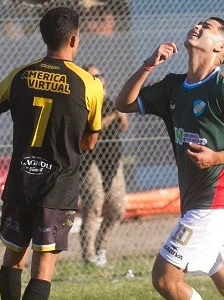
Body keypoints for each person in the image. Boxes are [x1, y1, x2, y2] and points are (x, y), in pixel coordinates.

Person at [0, 7, 103, 299]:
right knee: (43, 268)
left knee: (13, 260)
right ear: (74, 40)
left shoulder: (20, 75)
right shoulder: (88, 84)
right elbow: (90, 143)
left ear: (44, 38)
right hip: (57, 188)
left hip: (20, 184)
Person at [115, 17, 224, 300]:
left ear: (220, 46)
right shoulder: (173, 87)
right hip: (198, 205)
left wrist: (217, 157)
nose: (198, 26)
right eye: (199, 23)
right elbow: (123, 103)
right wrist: (149, 64)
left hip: (212, 206)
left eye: (207, 27)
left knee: (165, 279)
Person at [79, 64, 128, 267]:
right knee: (93, 207)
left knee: (117, 208)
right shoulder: (83, 104)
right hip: (90, 162)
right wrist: (113, 115)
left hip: (113, 161)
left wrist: (121, 115)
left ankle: (101, 249)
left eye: (101, 75)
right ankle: (89, 257)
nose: (99, 79)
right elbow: (93, 130)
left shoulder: (110, 102)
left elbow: (123, 127)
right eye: (94, 77)